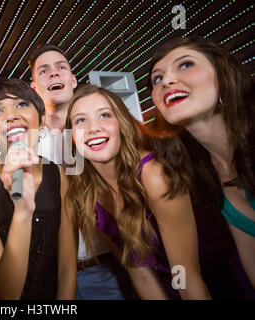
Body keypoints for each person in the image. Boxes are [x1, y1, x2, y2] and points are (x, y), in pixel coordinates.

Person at [66, 84, 215, 299]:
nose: (93, 128)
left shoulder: (154, 176)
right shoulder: (88, 195)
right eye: (80, 120)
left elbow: (185, 274)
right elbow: (139, 273)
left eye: (104, 115)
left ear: (121, 124)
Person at [148, 36, 255, 289]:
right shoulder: (202, 173)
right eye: (157, 79)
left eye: (185, 65)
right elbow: (251, 258)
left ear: (223, 75)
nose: (168, 81)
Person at [28, 44, 133, 300]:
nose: (54, 73)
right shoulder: (27, 145)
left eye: (61, 67)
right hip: (49, 278)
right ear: (33, 87)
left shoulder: (107, 135)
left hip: (107, 269)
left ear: (73, 80)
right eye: (44, 70)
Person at [0, 79, 77, 299]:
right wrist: (22, 211)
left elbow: (67, 270)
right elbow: (4, 295)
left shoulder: (59, 176)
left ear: (42, 120)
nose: (11, 115)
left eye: (22, 104)